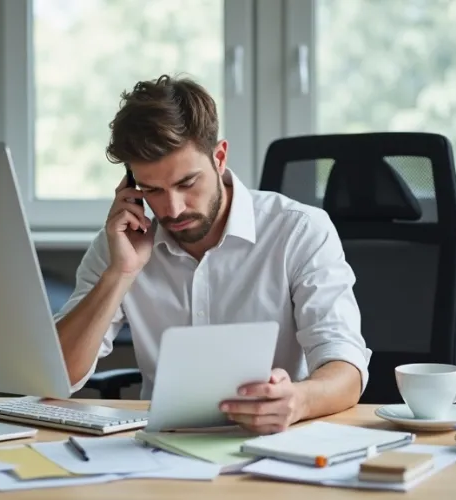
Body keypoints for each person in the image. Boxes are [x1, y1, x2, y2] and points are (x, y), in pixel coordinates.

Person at [54, 74, 371, 435]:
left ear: (219, 157)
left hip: (276, 442)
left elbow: (346, 368)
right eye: (152, 190)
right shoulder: (121, 244)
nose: (173, 209)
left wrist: (298, 401)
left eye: (187, 183)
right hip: (162, 447)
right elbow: (59, 376)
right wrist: (120, 273)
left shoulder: (299, 230)